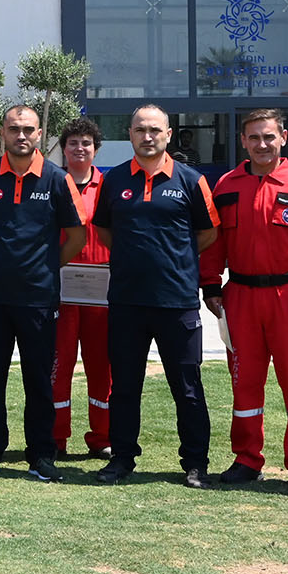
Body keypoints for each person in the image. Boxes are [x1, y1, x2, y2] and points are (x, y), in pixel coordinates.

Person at [198, 110, 288, 492]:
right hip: (240, 297)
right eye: (254, 137)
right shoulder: (226, 186)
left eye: (269, 137)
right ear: (243, 141)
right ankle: (246, 458)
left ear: (283, 137)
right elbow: (213, 245)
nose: (262, 144)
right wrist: (211, 285)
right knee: (245, 386)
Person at [92, 105, 220, 488]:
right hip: (127, 301)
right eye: (139, 130)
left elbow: (208, 233)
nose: (147, 137)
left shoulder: (191, 180)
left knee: (187, 386)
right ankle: (122, 458)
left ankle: (195, 463)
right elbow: (104, 232)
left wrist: (172, 260)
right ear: (129, 134)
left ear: (168, 134)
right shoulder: (113, 181)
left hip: (176, 301)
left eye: (155, 130)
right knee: (126, 386)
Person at [0, 106, 84, 482]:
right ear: (2, 132)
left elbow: (77, 236)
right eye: (14, 129)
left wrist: (45, 265)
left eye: (28, 129)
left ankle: (41, 454)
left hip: (38, 298)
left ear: (39, 133)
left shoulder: (57, 178)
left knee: (38, 379)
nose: (21, 136)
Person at [52, 118, 113, 460]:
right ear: (64, 147)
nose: (79, 148)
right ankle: (56, 436)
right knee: (58, 367)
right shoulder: (53, 183)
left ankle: (102, 436)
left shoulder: (110, 185)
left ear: (95, 149)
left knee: (101, 367)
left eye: (86, 142)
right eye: (73, 142)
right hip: (61, 290)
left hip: (101, 292)